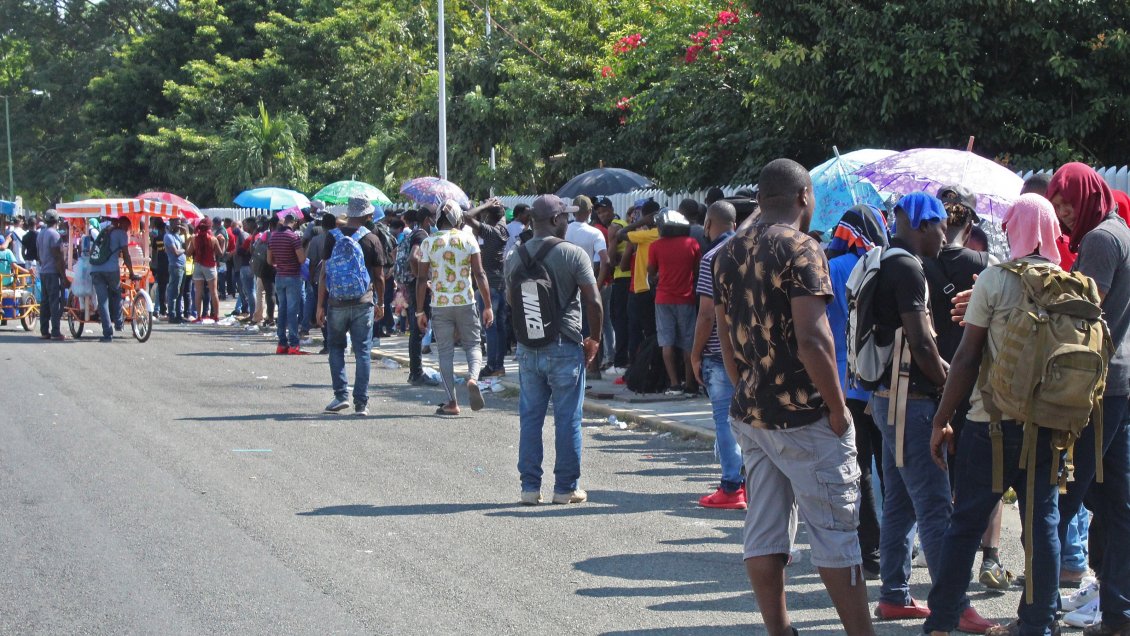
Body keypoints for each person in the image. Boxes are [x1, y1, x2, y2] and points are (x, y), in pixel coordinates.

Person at [713, 158, 873, 635]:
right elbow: (815, 340)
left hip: (753, 412)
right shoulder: (802, 248)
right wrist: (838, 407)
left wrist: (747, 389)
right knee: (836, 535)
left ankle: (779, 631)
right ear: (805, 197)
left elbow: (725, 341)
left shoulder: (726, 252)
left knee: (763, 531)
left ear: (760, 200)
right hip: (805, 415)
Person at [923, 193, 1066, 636]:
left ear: (1014, 230)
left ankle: (943, 621)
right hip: (1050, 425)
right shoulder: (1068, 282)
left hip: (992, 425)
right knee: (1042, 523)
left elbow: (966, 359)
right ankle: (1038, 622)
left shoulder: (994, 279)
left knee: (965, 522)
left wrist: (942, 418)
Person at [867, 192, 993, 632]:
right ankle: (953, 603)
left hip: (886, 399)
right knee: (936, 506)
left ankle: (894, 594)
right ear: (922, 224)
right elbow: (922, 343)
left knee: (900, 502)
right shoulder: (906, 267)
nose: (946, 235)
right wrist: (950, 391)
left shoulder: (885, 257)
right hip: (913, 404)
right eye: (941, 226)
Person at [1046, 163, 1130, 636]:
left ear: (1086, 196)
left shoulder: (1100, 241)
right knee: (1118, 504)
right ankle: (1119, 612)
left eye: (1067, 204)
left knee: (1059, 500)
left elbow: (1083, 313)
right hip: (1119, 384)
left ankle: (1039, 616)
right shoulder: (1120, 230)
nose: (1062, 215)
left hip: (1095, 388)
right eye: (1057, 207)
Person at [924, 185, 1005, 590]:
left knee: (940, 474)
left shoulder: (918, 262)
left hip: (932, 376)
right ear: (970, 223)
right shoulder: (986, 264)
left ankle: (941, 551)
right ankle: (990, 555)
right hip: (975, 380)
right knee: (985, 475)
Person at [504, 194, 602, 505]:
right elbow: (594, 301)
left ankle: (530, 489)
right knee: (567, 419)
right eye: (566, 217)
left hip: (528, 347)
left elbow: (510, 301)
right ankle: (565, 489)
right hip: (564, 346)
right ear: (557, 220)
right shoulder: (573, 254)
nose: (568, 222)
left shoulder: (514, 257)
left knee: (530, 418)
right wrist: (594, 338)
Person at [824, 203, 891, 579]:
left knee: (859, 468)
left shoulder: (829, 268)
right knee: (893, 468)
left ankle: (872, 550)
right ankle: (900, 542)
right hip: (884, 382)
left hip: (844, 383)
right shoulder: (890, 266)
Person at [688, 200, 744, 509]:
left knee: (724, 420)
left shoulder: (712, 257)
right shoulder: (753, 251)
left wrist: (695, 355)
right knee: (749, 420)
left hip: (719, 353)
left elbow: (706, 315)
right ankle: (750, 484)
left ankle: (731, 486)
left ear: (709, 224)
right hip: (752, 351)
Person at [415, 200, 494, 415]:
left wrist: (419, 311)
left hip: (440, 305)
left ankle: (452, 403)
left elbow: (422, 279)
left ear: (437, 219)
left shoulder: (428, 243)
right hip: (466, 302)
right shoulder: (468, 239)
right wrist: (488, 305)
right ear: (458, 218)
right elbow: (479, 274)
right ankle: (473, 378)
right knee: (473, 345)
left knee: (445, 353)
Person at [317, 197, 385, 417]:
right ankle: (361, 403)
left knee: (336, 348)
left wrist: (320, 305)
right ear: (366, 216)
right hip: (363, 302)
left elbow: (324, 273)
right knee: (362, 351)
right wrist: (381, 302)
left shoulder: (332, 237)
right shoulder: (372, 239)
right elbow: (380, 276)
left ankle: (340, 396)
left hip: (336, 302)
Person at [649, 209, 702, 395]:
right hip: (686, 298)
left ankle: (674, 384)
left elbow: (651, 272)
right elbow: (696, 270)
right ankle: (690, 384)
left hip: (663, 298)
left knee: (667, 342)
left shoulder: (655, 246)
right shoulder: (692, 243)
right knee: (688, 343)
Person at [463, 197, 509, 378]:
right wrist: (492, 207)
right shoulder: (503, 229)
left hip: (488, 285)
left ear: (489, 217)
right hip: (501, 283)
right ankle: (499, 365)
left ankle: (492, 365)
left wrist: (487, 205)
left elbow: (466, 216)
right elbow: (500, 215)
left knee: (489, 327)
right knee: (500, 327)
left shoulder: (491, 232)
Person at [89, 217, 139, 343]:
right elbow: (126, 254)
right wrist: (132, 272)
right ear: (123, 225)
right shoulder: (121, 234)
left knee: (102, 301)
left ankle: (107, 334)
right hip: (111, 270)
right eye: (127, 227)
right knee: (116, 294)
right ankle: (118, 322)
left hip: (95, 268)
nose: (127, 230)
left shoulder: (105, 231)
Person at [268, 213, 307, 354]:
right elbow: (302, 259)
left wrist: (280, 263)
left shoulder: (273, 237)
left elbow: (269, 260)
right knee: (292, 311)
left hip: (279, 276)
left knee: (282, 309)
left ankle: (281, 343)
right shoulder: (294, 237)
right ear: (295, 222)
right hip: (293, 276)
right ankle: (294, 344)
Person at [304, 213, 336, 352]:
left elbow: (311, 263)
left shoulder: (316, 240)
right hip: (336, 281)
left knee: (322, 310)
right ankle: (335, 341)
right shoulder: (339, 238)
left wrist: (310, 278)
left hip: (320, 280)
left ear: (322, 226)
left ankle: (327, 342)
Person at [36, 211, 67, 340]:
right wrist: (63, 276)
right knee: (55, 302)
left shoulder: (41, 234)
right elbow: (58, 257)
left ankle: (44, 331)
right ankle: (55, 331)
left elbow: (39, 255)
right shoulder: (54, 234)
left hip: (43, 271)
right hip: (52, 273)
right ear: (57, 220)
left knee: (44, 302)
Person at [187, 217, 221, 323]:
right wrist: (223, 242)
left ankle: (199, 316)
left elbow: (188, 253)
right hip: (210, 266)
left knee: (198, 292)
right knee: (213, 292)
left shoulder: (194, 238)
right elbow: (220, 253)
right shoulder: (213, 239)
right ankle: (216, 316)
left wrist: (188, 241)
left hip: (197, 265)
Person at [165, 218, 187, 323]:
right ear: (171, 223)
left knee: (180, 292)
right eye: (177, 224)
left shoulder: (177, 236)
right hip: (175, 266)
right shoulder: (168, 237)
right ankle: (172, 315)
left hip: (182, 266)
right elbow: (176, 252)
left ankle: (179, 314)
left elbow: (186, 245)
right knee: (174, 292)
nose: (179, 226)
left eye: (180, 224)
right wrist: (184, 250)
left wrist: (186, 233)